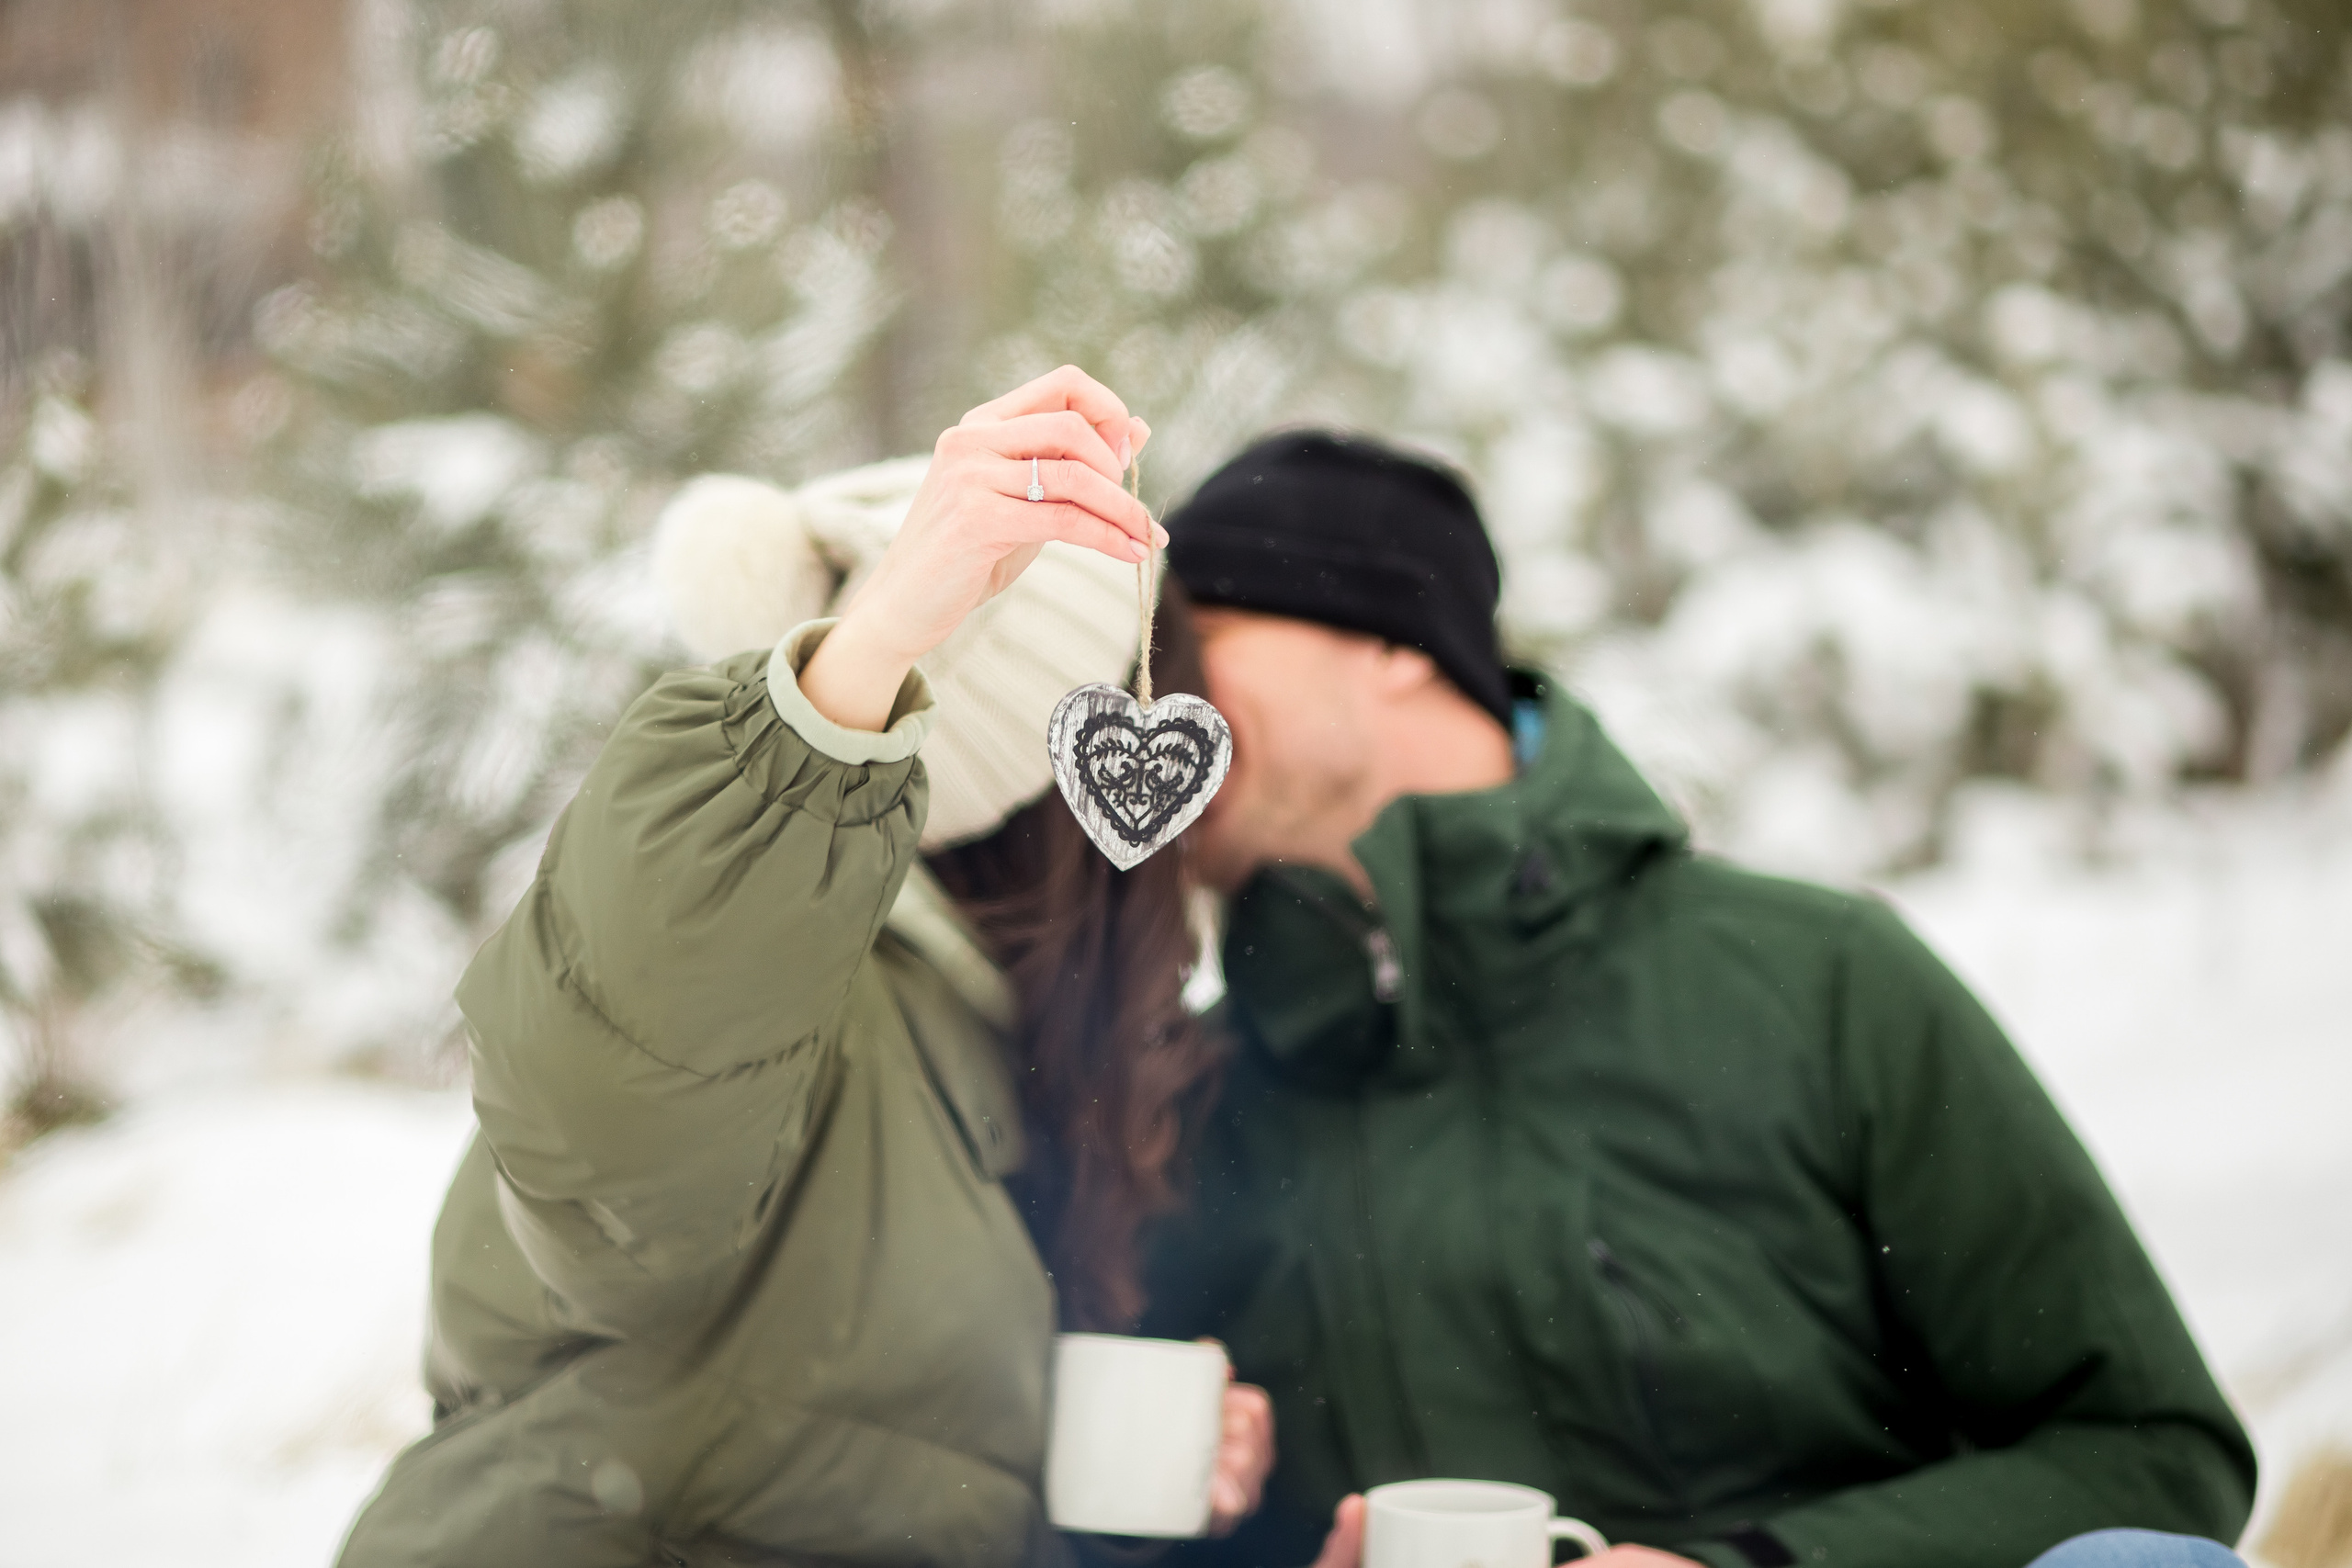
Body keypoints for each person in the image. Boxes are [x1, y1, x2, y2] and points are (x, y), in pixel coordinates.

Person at [1136, 431, 2257, 1568]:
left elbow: (2152, 1457)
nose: (1155, 694)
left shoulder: (1819, 982)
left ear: (1391, 644)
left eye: (1197, 637)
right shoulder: (1193, 1093)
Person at [336, 368, 1275, 1567]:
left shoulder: (974, 1037)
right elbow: (612, 1101)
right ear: (1071, 789)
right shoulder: (786, 1005)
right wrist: (865, 659)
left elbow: (851, 1470)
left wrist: (1119, 1486)